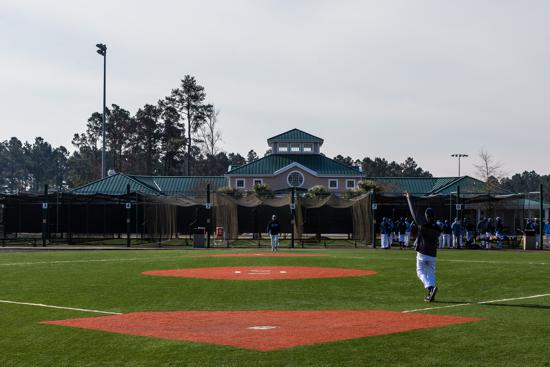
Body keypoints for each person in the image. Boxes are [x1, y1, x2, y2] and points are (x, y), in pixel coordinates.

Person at [405, 192, 439, 302]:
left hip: (423, 252)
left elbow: (413, 213)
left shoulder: (423, 226)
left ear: (426, 216)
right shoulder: (438, 228)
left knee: (420, 272)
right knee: (430, 273)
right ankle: (430, 293)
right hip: (433, 254)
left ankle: (430, 288)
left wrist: (409, 198)